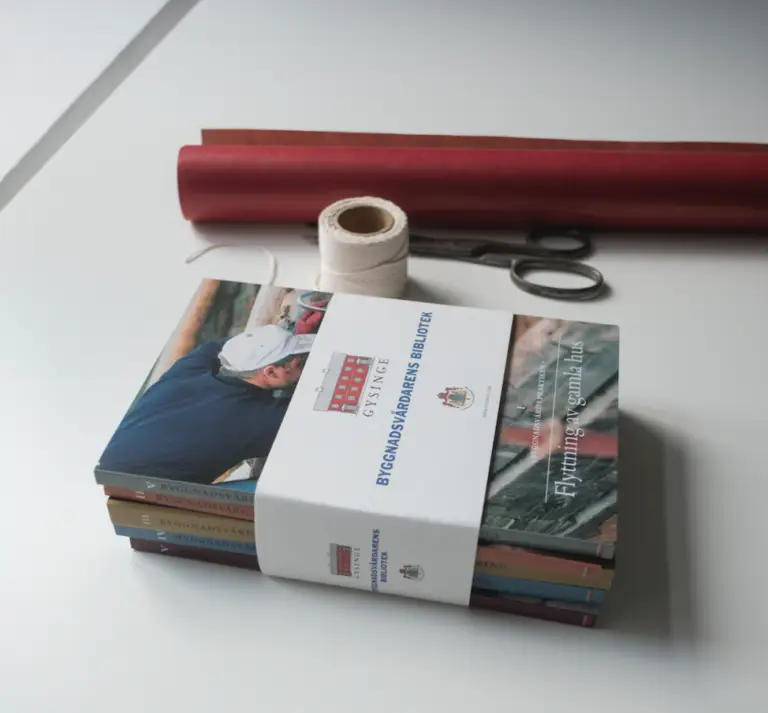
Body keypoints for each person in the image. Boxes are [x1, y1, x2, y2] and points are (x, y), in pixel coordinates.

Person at [97, 324, 315, 485]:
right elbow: (314, 420)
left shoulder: (190, 368)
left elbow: (214, 347)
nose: (304, 362)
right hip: (135, 488)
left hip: (109, 457)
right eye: (300, 362)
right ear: (271, 372)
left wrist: (265, 342)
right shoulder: (252, 421)